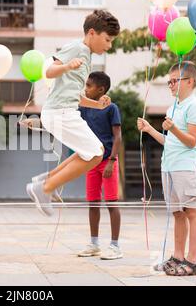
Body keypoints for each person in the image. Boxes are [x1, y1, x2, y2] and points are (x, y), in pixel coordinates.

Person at [26, 10, 120, 216]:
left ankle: (46, 179)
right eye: (107, 39)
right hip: (59, 112)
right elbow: (49, 71)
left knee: (88, 151)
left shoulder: (86, 56)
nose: (109, 45)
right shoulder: (77, 47)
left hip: (65, 111)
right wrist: (67, 65)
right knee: (97, 153)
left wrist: (98, 106)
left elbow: (77, 96)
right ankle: (45, 189)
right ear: (92, 33)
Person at [137, 61, 196, 276]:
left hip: (186, 167)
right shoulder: (173, 107)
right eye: (169, 82)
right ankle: (177, 256)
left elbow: (191, 141)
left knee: (192, 211)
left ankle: (193, 261)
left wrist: (174, 128)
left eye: (175, 81)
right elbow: (170, 141)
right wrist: (150, 129)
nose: (171, 85)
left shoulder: (195, 107)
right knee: (177, 213)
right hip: (170, 166)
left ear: (190, 81)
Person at [76, 72, 123, 260]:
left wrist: (112, 161)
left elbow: (118, 136)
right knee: (93, 204)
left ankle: (115, 246)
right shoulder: (84, 108)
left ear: (101, 89)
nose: (85, 89)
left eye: (88, 86)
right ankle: (94, 244)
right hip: (91, 161)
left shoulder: (111, 108)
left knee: (112, 203)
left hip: (107, 161)